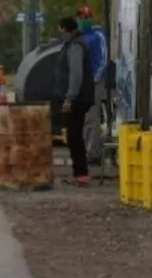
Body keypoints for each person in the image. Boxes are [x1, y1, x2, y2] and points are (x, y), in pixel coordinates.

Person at [53, 16, 94, 186]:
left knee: (74, 135)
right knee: (73, 134)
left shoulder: (75, 46)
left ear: (64, 29)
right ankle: (79, 172)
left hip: (78, 98)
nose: (59, 32)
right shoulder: (74, 44)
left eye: (60, 29)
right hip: (79, 97)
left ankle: (81, 173)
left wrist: (69, 98)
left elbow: (76, 75)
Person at [76, 5, 108, 164]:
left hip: (94, 82)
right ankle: (86, 149)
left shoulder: (97, 36)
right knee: (82, 118)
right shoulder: (78, 37)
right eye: (81, 18)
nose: (84, 20)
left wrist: (96, 78)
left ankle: (93, 152)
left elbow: (103, 59)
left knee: (92, 117)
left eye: (86, 17)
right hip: (81, 83)